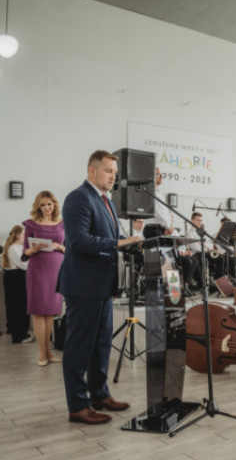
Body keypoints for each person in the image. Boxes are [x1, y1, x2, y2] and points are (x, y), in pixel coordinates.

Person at [58, 150, 141, 425]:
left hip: (104, 285)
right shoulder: (78, 198)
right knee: (79, 347)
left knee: (101, 344)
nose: (113, 177)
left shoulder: (107, 202)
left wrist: (131, 243)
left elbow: (110, 239)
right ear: (92, 170)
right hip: (83, 285)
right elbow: (78, 240)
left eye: (115, 173)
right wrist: (118, 243)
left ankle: (100, 394)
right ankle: (78, 406)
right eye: (108, 171)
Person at [22, 191, 65, 365]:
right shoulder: (31, 224)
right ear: (38, 207)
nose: (47, 207)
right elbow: (25, 251)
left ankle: (48, 352)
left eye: (49, 204)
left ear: (54, 205)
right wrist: (33, 249)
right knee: (39, 311)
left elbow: (69, 248)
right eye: (43, 205)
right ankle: (42, 353)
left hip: (57, 271)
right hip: (38, 270)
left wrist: (59, 247)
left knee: (51, 312)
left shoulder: (63, 224)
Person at [2, 225, 32, 343]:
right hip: (16, 278)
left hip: (19, 277)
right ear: (17, 235)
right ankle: (18, 336)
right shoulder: (13, 248)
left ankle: (22, 333)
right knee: (17, 307)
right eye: (24, 234)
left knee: (22, 306)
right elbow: (24, 265)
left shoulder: (20, 247)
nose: (26, 236)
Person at [187, 212, 226, 283]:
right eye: (198, 220)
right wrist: (205, 246)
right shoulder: (190, 232)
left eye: (201, 220)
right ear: (192, 220)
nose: (200, 222)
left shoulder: (202, 232)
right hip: (197, 253)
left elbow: (210, 245)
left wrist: (202, 244)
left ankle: (218, 279)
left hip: (206, 252)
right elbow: (195, 247)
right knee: (219, 258)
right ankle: (210, 281)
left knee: (222, 257)